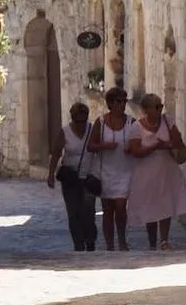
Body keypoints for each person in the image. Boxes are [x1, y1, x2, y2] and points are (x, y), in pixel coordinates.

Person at [125, 92, 186, 250]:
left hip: (166, 171)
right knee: (150, 206)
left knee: (165, 204)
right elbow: (135, 151)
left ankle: (164, 240)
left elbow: (178, 142)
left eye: (161, 106)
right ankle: (152, 241)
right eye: (156, 107)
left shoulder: (167, 122)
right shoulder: (136, 127)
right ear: (146, 109)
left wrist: (168, 144)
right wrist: (154, 147)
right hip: (147, 173)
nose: (160, 110)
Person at [47, 100, 96, 252]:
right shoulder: (65, 132)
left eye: (83, 121)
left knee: (89, 212)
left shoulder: (91, 130)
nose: (81, 124)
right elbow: (56, 153)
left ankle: (90, 242)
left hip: (88, 177)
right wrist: (51, 174)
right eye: (78, 121)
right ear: (72, 118)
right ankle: (78, 244)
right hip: (71, 179)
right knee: (74, 212)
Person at [89, 86, 134, 251]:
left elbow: (139, 142)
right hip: (106, 172)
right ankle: (109, 245)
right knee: (107, 210)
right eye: (119, 101)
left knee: (121, 208)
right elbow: (90, 146)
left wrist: (132, 149)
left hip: (125, 171)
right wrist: (104, 145)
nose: (122, 105)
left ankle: (122, 240)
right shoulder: (100, 123)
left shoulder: (131, 123)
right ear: (110, 103)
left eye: (124, 101)